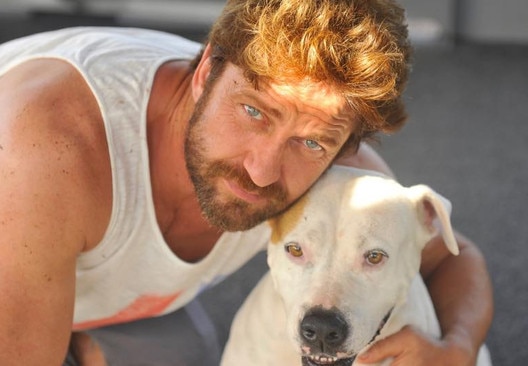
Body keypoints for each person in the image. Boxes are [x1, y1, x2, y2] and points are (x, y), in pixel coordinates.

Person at [0, 0, 493, 365]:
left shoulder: (336, 181)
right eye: (254, 112)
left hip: (102, 297)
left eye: (314, 142)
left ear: (346, 150)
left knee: (185, 357)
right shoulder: (49, 153)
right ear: (207, 71)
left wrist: (459, 348)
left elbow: (456, 258)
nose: (262, 171)